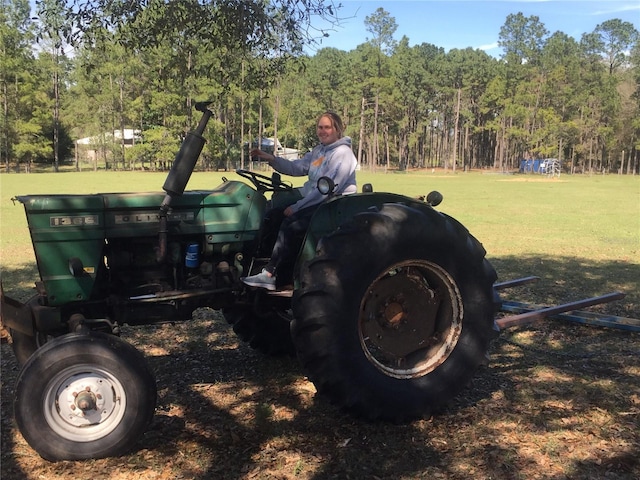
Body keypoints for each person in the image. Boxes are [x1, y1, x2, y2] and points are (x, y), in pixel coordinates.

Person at [242, 111, 358, 290]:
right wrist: (271, 159)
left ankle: (271, 274)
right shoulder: (319, 151)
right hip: (314, 200)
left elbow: (324, 189)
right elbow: (297, 167)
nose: (322, 131)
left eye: (327, 127)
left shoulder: (343, 153)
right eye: (320, 127)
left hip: (333, 204)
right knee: (272, 215)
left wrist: (297, 207)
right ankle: (258, 267)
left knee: (291, 224)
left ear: (338, 129)